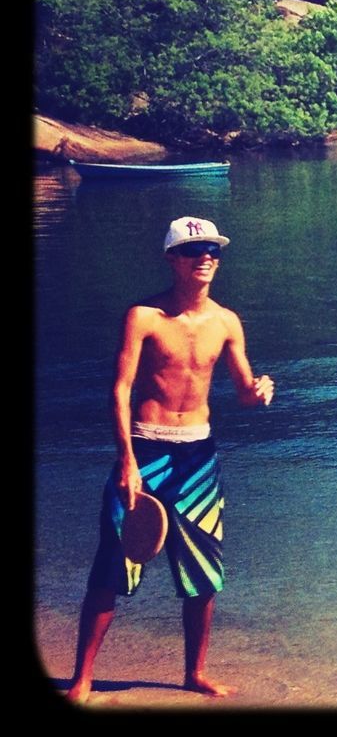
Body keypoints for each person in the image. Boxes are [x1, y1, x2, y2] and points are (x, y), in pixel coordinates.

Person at [65, 216, 275, 704]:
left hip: (199, 457)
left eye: (212, 251)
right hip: (148, 450)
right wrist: (127, 460)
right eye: (193, 249)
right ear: (171, 259)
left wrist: (259, 391)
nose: (206, 257)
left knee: (203, 572)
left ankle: (194, 674)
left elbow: (243, 393)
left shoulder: (227, 322)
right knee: (112, 568)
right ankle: (82, 679)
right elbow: (120, 389)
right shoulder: (143, 316)